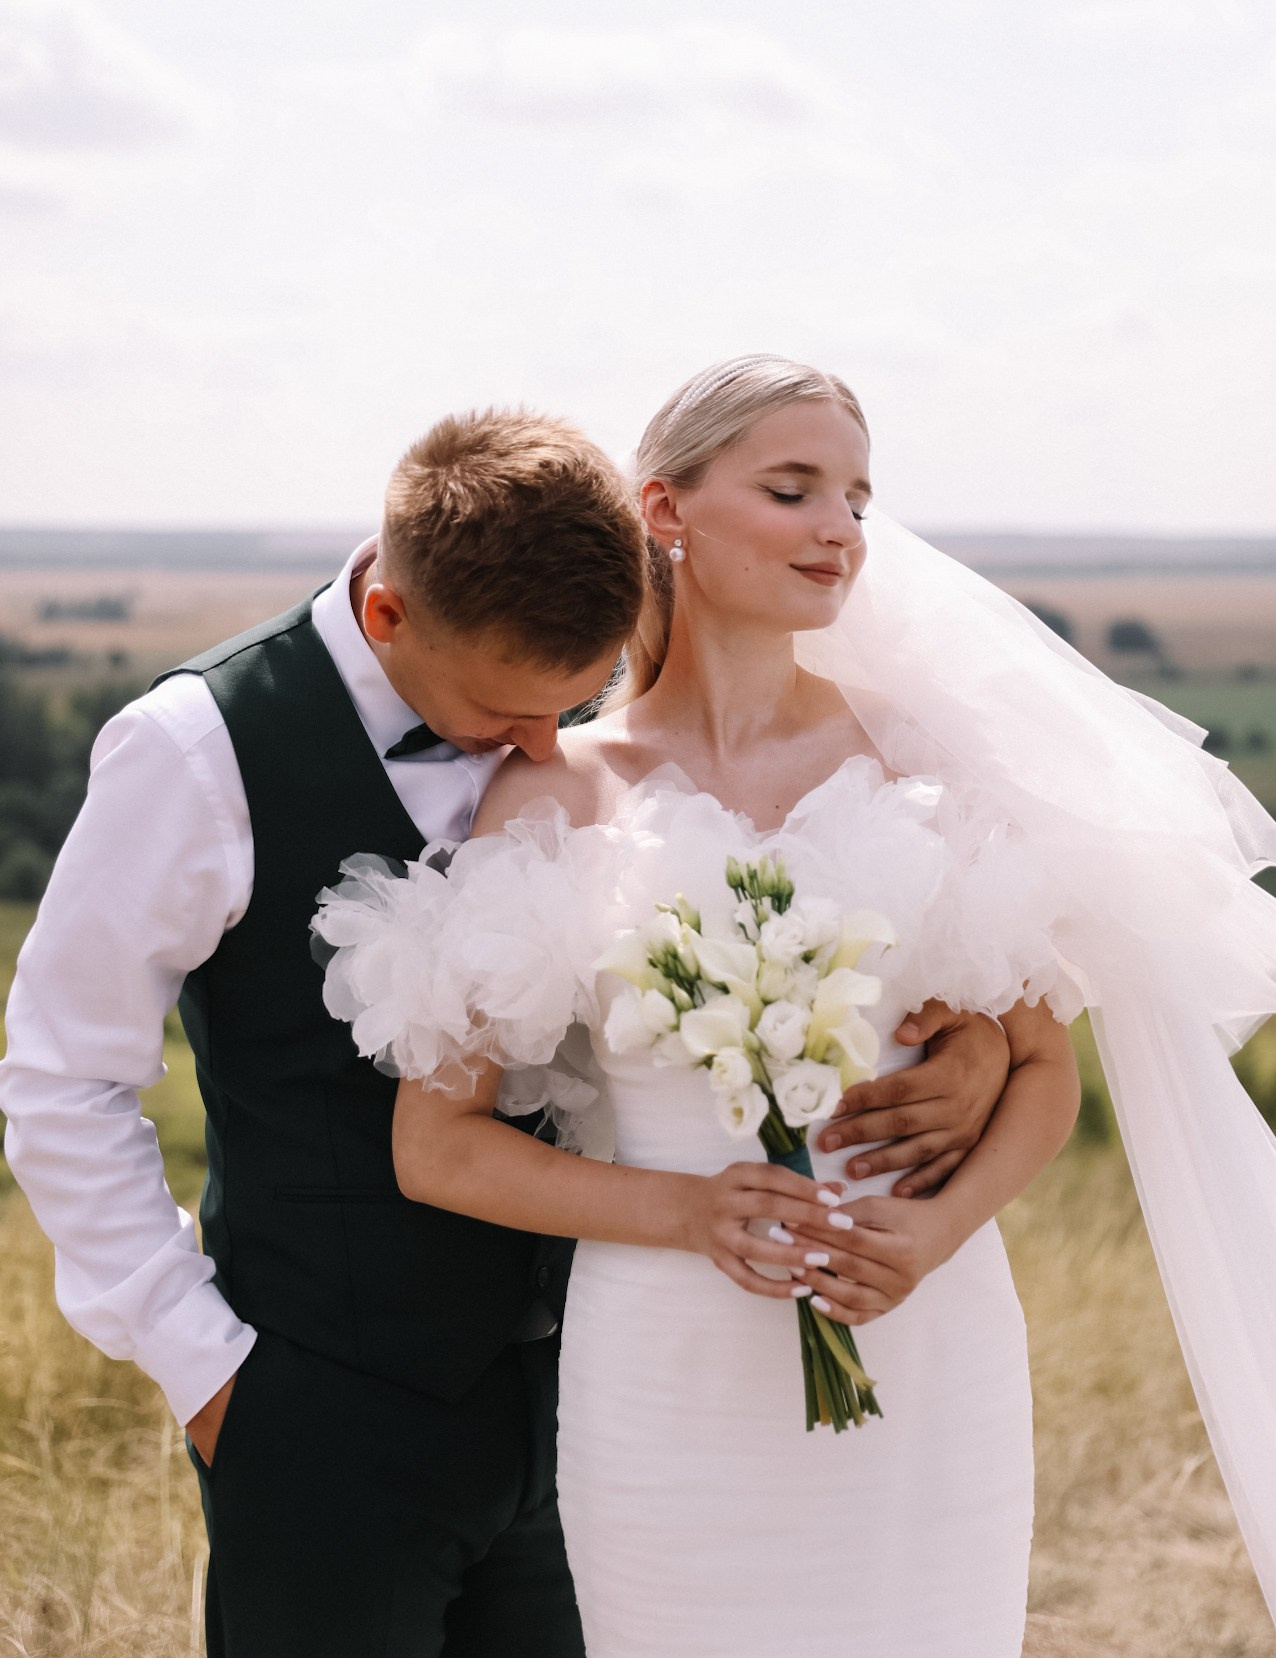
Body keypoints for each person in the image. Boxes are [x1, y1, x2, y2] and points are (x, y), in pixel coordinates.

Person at [0, 404, 1010, 1658]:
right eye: (500, 715)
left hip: (586, 1392)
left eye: (569, 705)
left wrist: (975, 1046)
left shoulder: (572, 713)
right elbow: (62, 1080)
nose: (539, 750)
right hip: (324, 1404)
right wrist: (203, 1370)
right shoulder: (194, 750)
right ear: (387, 617)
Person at [315, 360, 1088, 1656]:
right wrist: (687, 1208)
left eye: (856, 493)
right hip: (666, 1375)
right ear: (665, 511)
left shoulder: (923, 762)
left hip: (922, 1344)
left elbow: (1045, 1072)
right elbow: (433, 1144)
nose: (842, 526)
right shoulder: (557, 795)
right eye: (794, 488)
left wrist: (939, 1232)